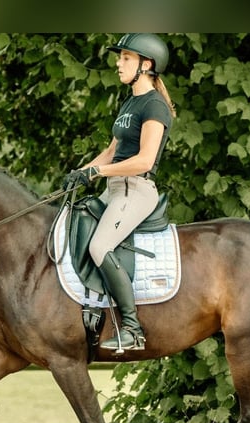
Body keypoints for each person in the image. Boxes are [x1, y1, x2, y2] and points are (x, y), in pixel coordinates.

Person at [62, 33, 176, 352]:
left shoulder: (155, 105)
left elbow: (144, 160)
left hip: (135, 191)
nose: (118, 63)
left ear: (146, 64)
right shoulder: (130, 102)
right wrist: (83, 171)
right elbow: (113, 151)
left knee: (100, 246)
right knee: (74, 227)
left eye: (125, 58)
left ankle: (132, 327)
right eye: (119, 57)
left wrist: (99, 172)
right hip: (115, 188)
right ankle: (92, 309)